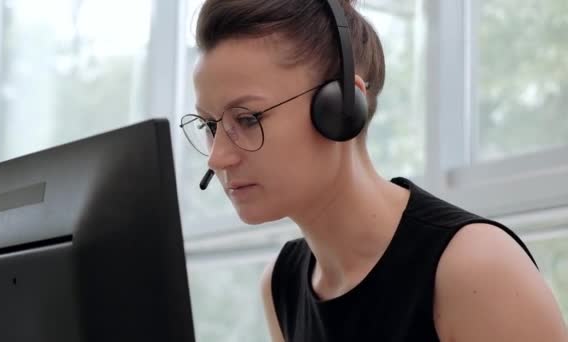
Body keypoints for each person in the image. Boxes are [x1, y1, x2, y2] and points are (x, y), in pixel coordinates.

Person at [179, 0, 568, 341]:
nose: (217, 157)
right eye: (209, 126)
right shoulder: (281, 284)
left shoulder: (476, 269)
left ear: (341, 107)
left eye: (247, 119)